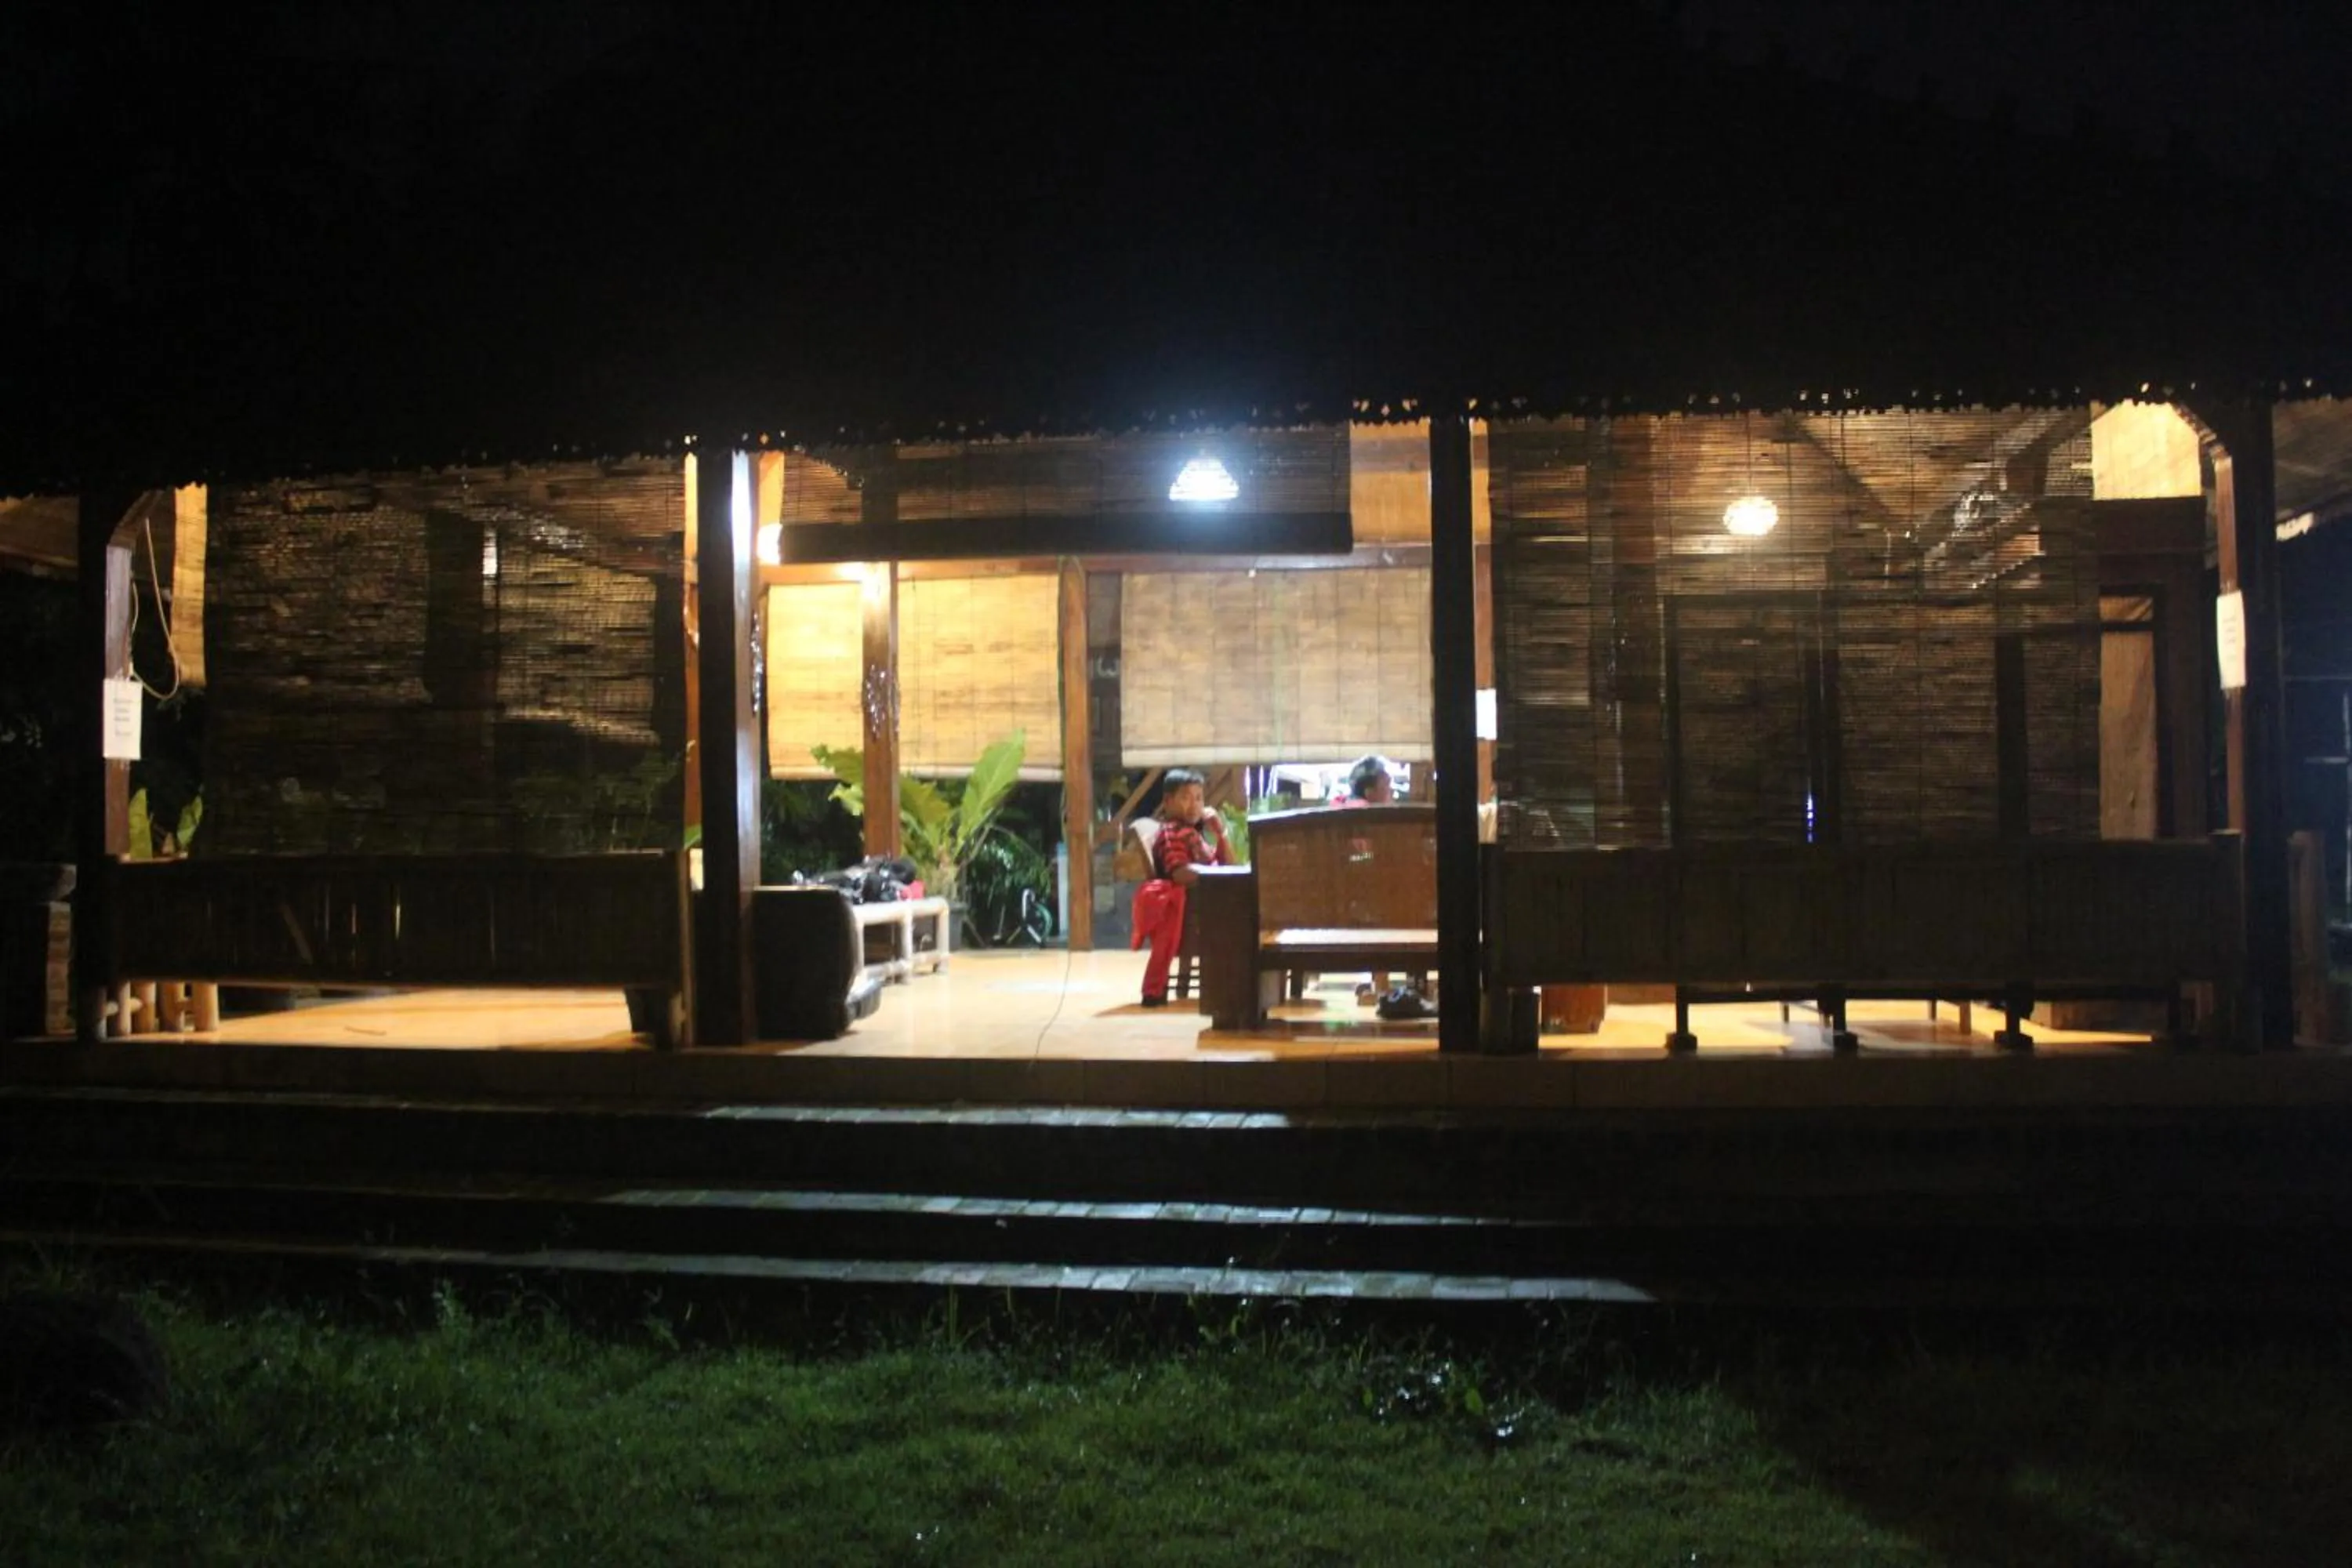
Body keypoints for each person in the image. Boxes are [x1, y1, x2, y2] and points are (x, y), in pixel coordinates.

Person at [1131, 768, 1232, 1007]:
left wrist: (1220, 833)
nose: (1195, 805)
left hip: (1205, 903)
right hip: (1196, 912)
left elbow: (1229, 864)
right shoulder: (1172, 834)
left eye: (1199, 798)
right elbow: (1180, 874)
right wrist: (1219, 875)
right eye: (1186, 797)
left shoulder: (1191, 833)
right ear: (1168, 802)